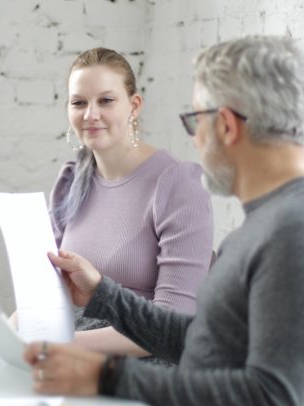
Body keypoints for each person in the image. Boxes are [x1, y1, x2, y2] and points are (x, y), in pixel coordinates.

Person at [24, 37, 304, 406]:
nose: (195, 142)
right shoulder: (275, 219)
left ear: (226, 126)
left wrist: (109, 378)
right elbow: (208, 340)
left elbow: (271, 403)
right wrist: (104, 294)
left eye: (196, 122)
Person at [49, 47, 213, 357]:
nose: (90, 114)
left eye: (106, 101)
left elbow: (173, 325)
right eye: (78, 102)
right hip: (66, 348)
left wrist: (60, 346)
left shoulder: (177, 185)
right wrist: (15, 327)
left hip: (142, 362)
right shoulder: (71, 179)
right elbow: (47, 289)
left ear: (134, 106)